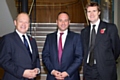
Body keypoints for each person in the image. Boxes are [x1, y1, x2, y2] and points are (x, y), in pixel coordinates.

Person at [81, 2, 120, 80]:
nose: (91, 14)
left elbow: (116, 50)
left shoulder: (110, 28)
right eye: (89, 11)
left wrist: (107, 60)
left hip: (105, 70)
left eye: (94, 11)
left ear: (99, 12)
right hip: (88, 70)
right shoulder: (84, 32)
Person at [42, 12, 83, 80]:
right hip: (53, 77)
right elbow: (45, 56)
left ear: (69, 22)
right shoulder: (49, 37)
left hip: (71, 77)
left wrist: (67, 72)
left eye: (65, 20)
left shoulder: (76, 37)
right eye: (60, 20)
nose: (63, 23)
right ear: (56, 22)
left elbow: (79, 58)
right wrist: (53, 71)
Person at [0, 12, 41, 80]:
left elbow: (36, 58)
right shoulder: (7, 39)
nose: (24, 24)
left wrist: (37, 69)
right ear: (15, 22)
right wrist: (22, 72)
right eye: (21, 21)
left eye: (26, 22)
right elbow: (3, 61)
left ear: (29, 24)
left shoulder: (32, 41)